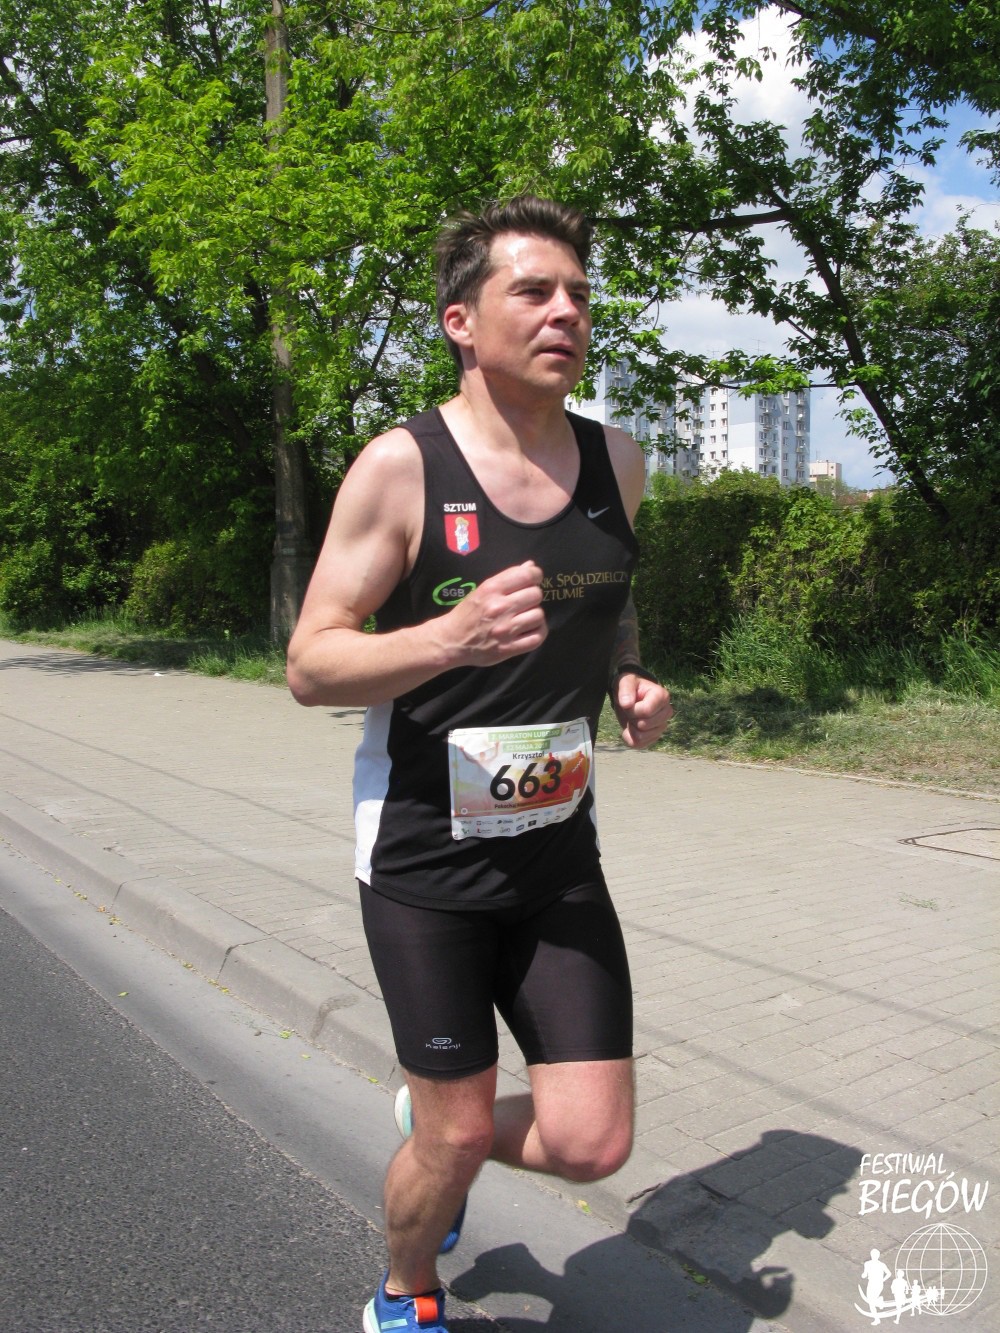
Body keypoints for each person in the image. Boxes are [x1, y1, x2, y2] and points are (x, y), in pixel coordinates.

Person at [287, 195, 674, 1333]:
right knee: (459, 1134)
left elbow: (611, 591)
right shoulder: (401, 467)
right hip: (426, 860)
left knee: (593, 1141)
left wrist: (627, 676)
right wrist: (448, 640)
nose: (567, 312)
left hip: (556, 854)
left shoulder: (616, 458)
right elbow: (312, 664)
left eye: (579, 294)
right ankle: (405, 1288)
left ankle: (433, 1135)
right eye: (534, 291)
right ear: (461, 320)